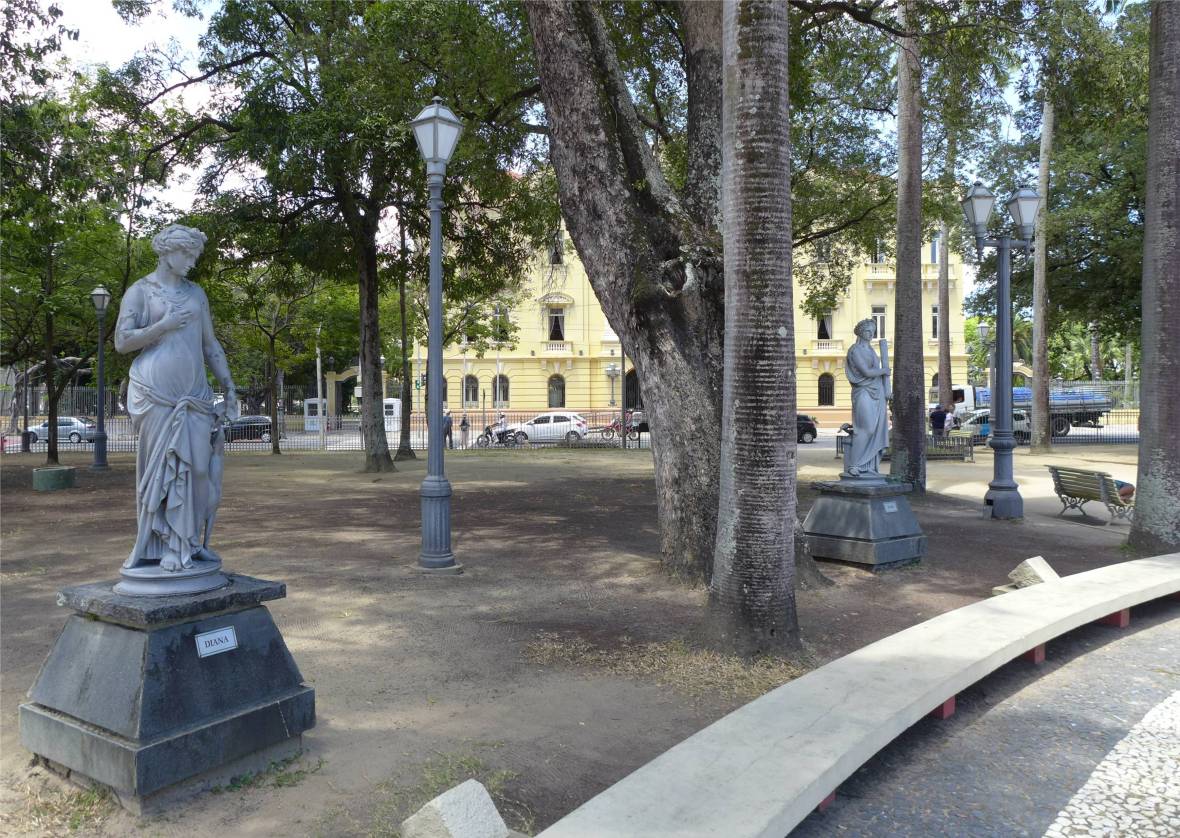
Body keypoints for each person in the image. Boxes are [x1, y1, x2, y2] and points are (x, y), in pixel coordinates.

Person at [115, 224, 238, 572]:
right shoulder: (140, 292)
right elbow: (122, 342)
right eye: (187, 254)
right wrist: (163, 325)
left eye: (194, 255)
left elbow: (210, 345)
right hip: (154, 394)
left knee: (198, 470)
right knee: (162, 472)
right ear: (167, 252)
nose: (191, 262)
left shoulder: (197, 293)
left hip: (195, 395)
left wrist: (229, 386)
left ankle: (189, 542)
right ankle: (167, 546)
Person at [843, 318, 890, 479]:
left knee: (875, 429)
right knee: (866, 428)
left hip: (877, 392)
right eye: (868, 331)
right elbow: (866, 372)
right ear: (861, 332)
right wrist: (884, 370)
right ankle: (854, 465)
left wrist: (886, 389)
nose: (871, 334)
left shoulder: (871, 350)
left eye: (873, 331)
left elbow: (875, 372)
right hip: (863, 391)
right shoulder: (855, 350)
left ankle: (868, 466)